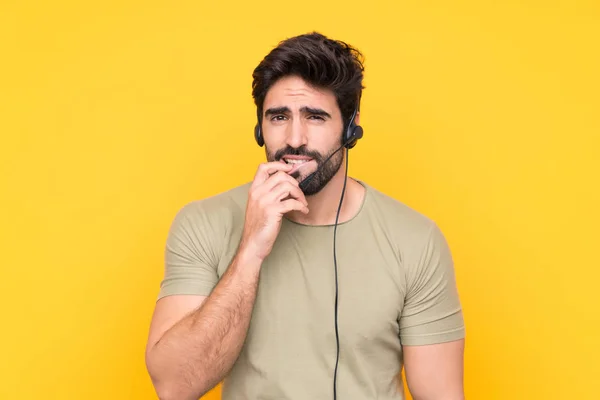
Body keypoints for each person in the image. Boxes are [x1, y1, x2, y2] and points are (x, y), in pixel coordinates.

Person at [145, 32, 466, 400]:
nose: (295, 138)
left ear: (351, 127)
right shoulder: (202, 223)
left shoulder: (416, 240)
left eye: (315, 117)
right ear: (259, 127)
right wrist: (250, 249)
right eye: (279, 116)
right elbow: (174, 387)